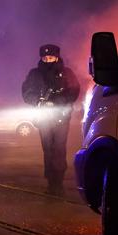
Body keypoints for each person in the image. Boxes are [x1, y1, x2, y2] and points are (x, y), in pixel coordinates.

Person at [22, 44, 80, 196]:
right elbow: (26, 92)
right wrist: (38, 101)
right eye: (45, 58)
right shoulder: (34, 74)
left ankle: (59, 182)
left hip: (61, 117)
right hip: (44, 117)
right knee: (48, 149)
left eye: (51, 57)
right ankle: (51, 182)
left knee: (59, 149)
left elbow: (74, 90)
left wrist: (60, 101)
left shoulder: (67, 73)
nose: (48, 60)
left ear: (57, 57)